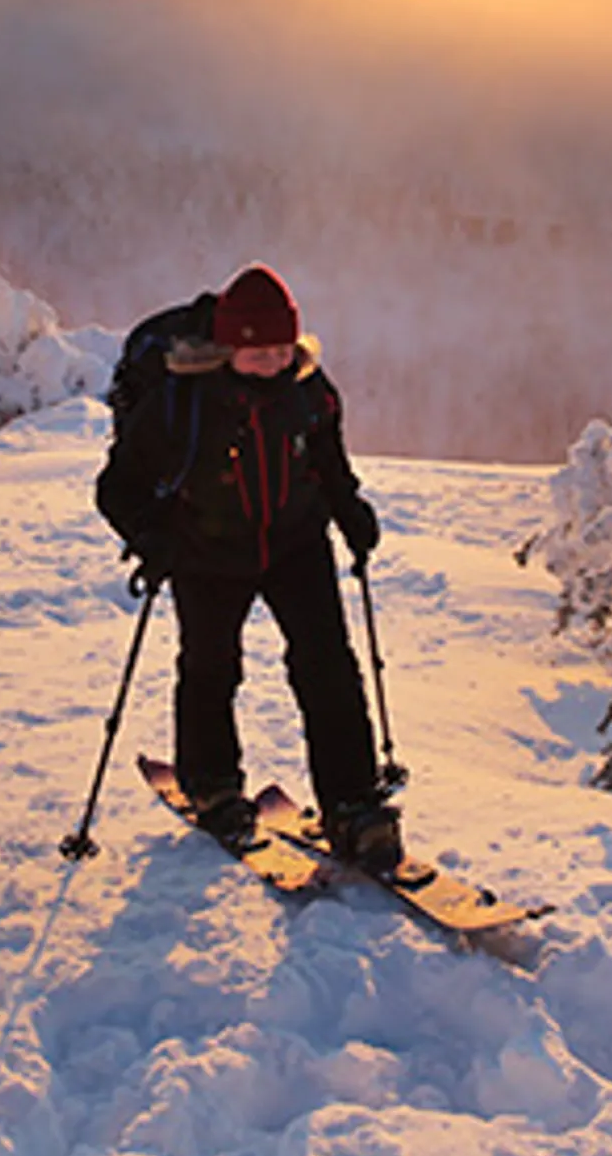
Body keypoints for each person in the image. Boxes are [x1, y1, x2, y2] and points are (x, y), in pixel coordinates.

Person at [95, 265, 400, 870]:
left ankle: (353, 805)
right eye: (258, 352)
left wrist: (350, 509)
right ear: (228, 347)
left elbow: (329, 463)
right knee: (211, 669)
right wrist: (150, 538)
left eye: (282, 349)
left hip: (295, 545)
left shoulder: (309, 389)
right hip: (205, 553)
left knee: (329, 670)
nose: (272, 362)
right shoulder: (180, 402)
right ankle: (213, 789)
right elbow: (116, 488)